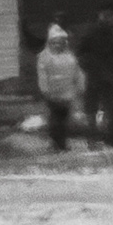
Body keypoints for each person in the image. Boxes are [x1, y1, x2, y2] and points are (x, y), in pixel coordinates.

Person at [78, 14, 113, 149]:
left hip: (94, 77)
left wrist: (88, 66)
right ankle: (107, 136)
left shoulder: (90, 35)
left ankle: (93, 138)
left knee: (92, 109)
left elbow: (80, 54)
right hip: (109, 78)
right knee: (109, 108)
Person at [34, 24, 84, 152]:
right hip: (52, 93)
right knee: (54, 119)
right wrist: (44, 89)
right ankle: (55, 143)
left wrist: (80, 85)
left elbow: (77, 72)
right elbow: (42, 74)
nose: (57, 45)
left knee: (64, 119)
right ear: (50, 43)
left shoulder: (70, 57)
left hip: (67, 93)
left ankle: (62, 143)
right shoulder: (44, 57)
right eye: (55, 42)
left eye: (60, 42)